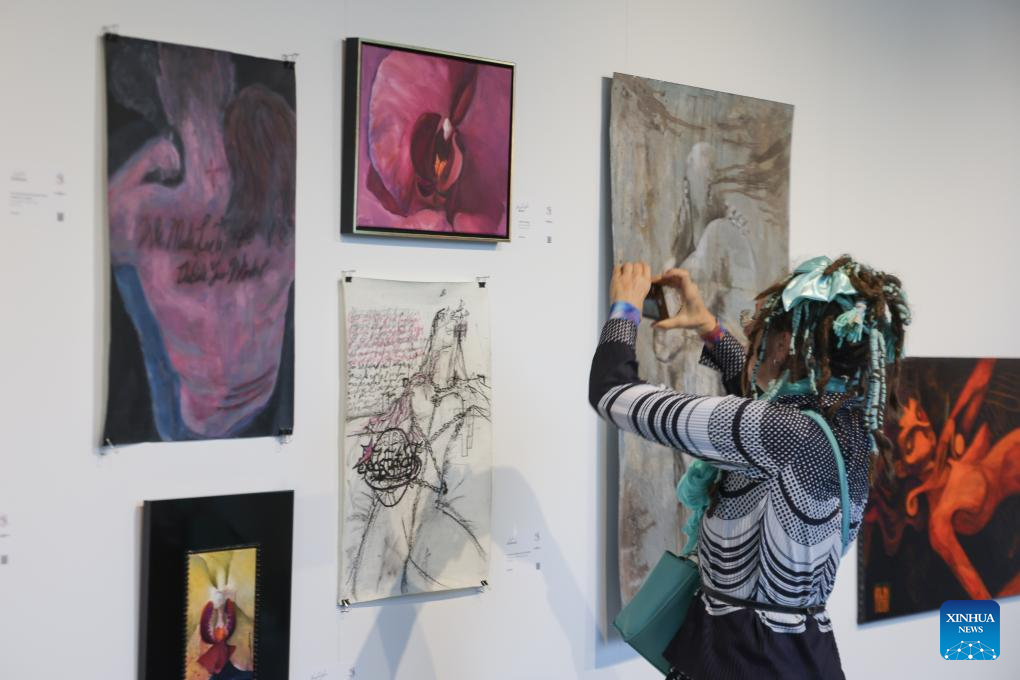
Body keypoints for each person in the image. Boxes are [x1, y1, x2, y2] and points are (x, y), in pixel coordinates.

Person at [589, 256, 910, 679]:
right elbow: (758, 402)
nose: (751, 337)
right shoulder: (848, 428)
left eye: (756, 327)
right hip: (802, 659)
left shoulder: (782, 431)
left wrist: (625, 308)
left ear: (783, 343)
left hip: (740, 661)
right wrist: (709, 328)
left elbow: (612, 394)